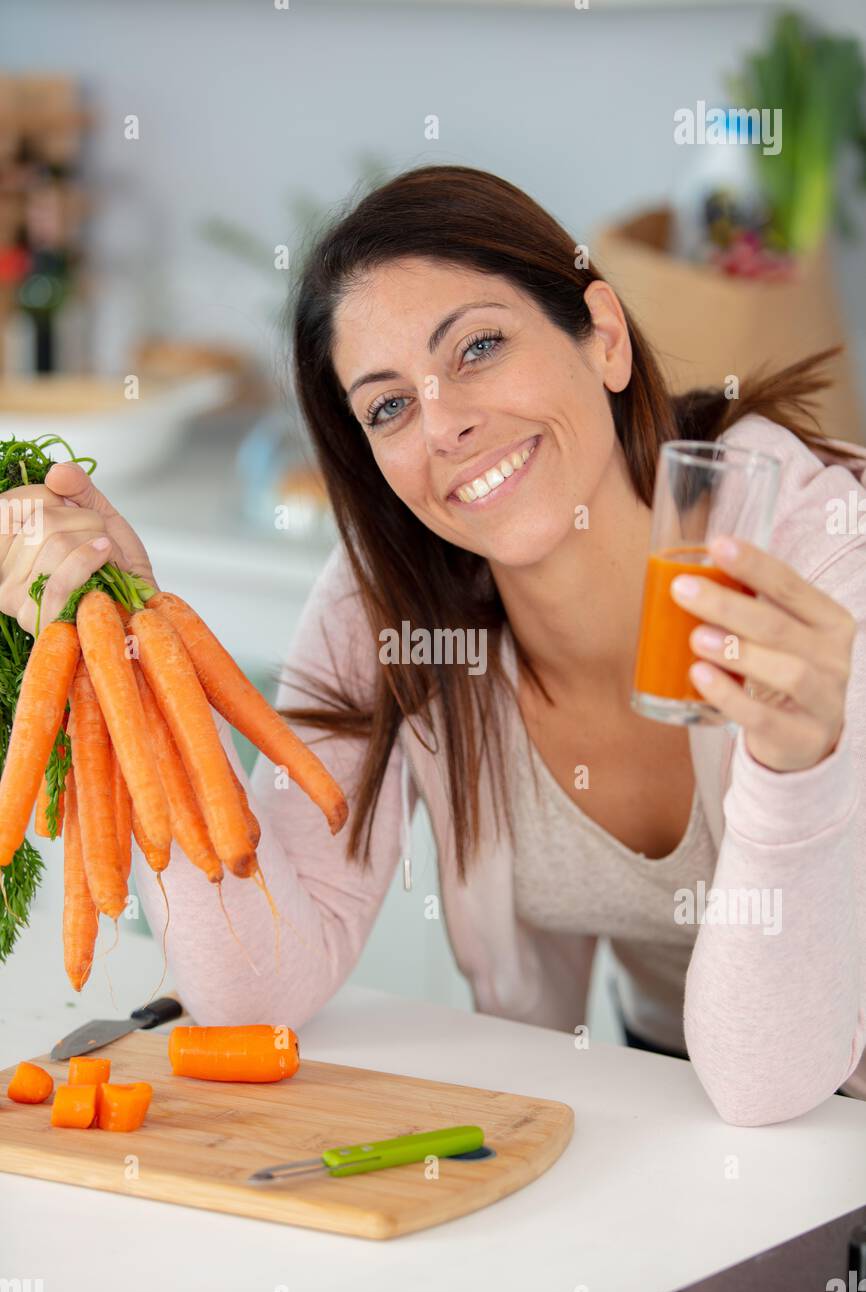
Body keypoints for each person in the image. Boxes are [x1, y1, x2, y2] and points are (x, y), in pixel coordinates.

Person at [2, 165, 864, 1126]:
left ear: (606, 338)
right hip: (687, 1094)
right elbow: (253, 993)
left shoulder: (813, 558)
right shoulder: (392, 604)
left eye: (480, 347)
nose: (446, 423)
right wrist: (134, 641)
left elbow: (770, 1082)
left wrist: (800, 766)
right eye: (388, 407)